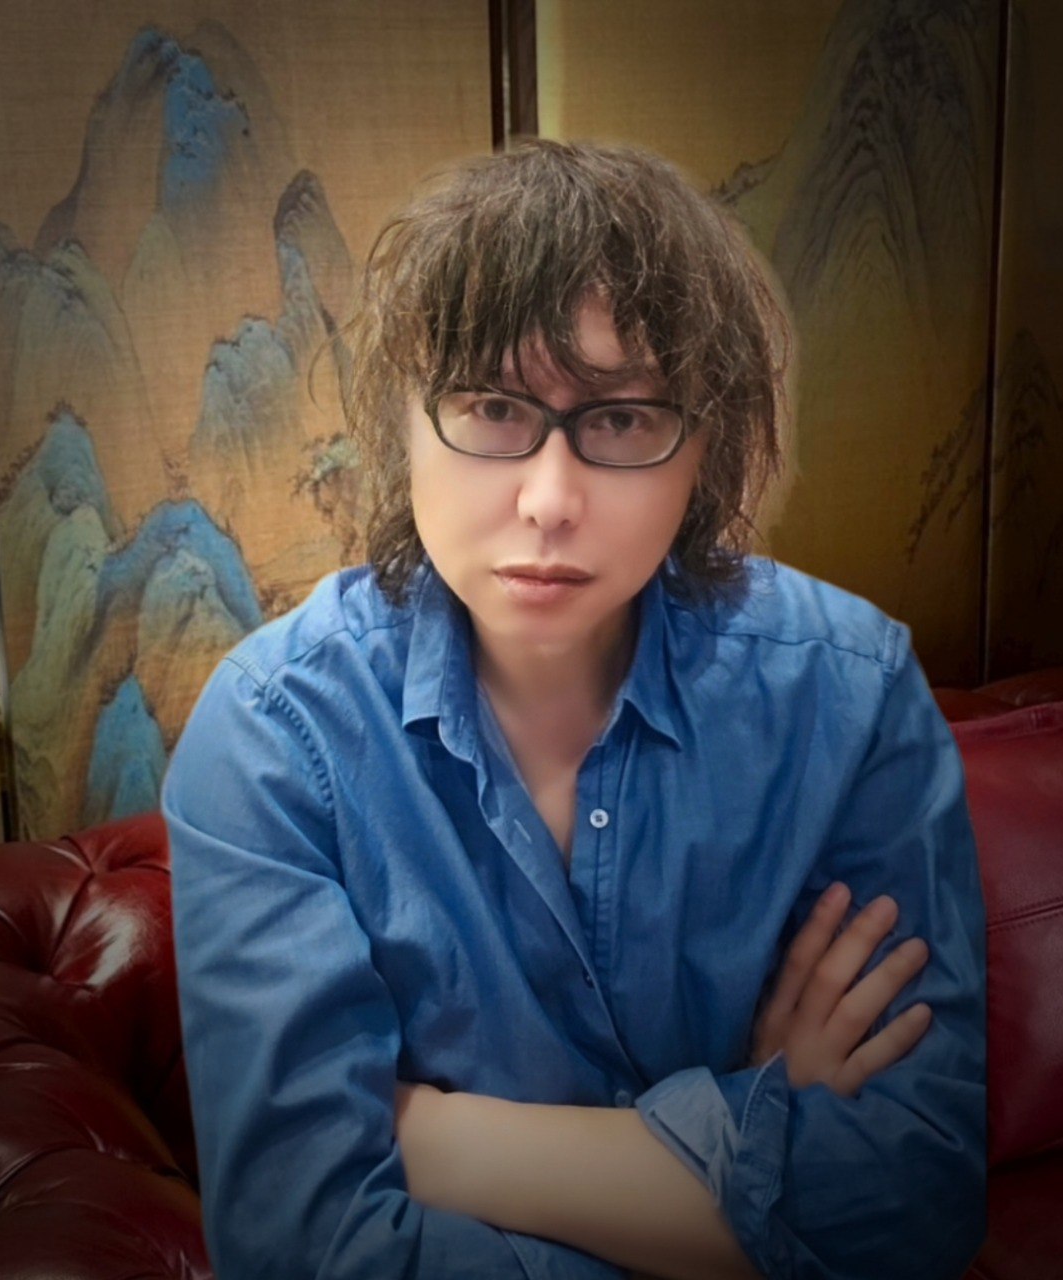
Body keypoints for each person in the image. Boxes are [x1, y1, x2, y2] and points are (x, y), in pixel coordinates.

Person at [162, 139, 985, 1280]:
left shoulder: (846, 693)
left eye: (624, 418)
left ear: (705, 446)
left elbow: (917, 1205)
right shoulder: (275, 734)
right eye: (492, 406)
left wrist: (437, 1140)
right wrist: (749, 1132)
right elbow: (305, 1247)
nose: (549, 500)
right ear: (403, 426)